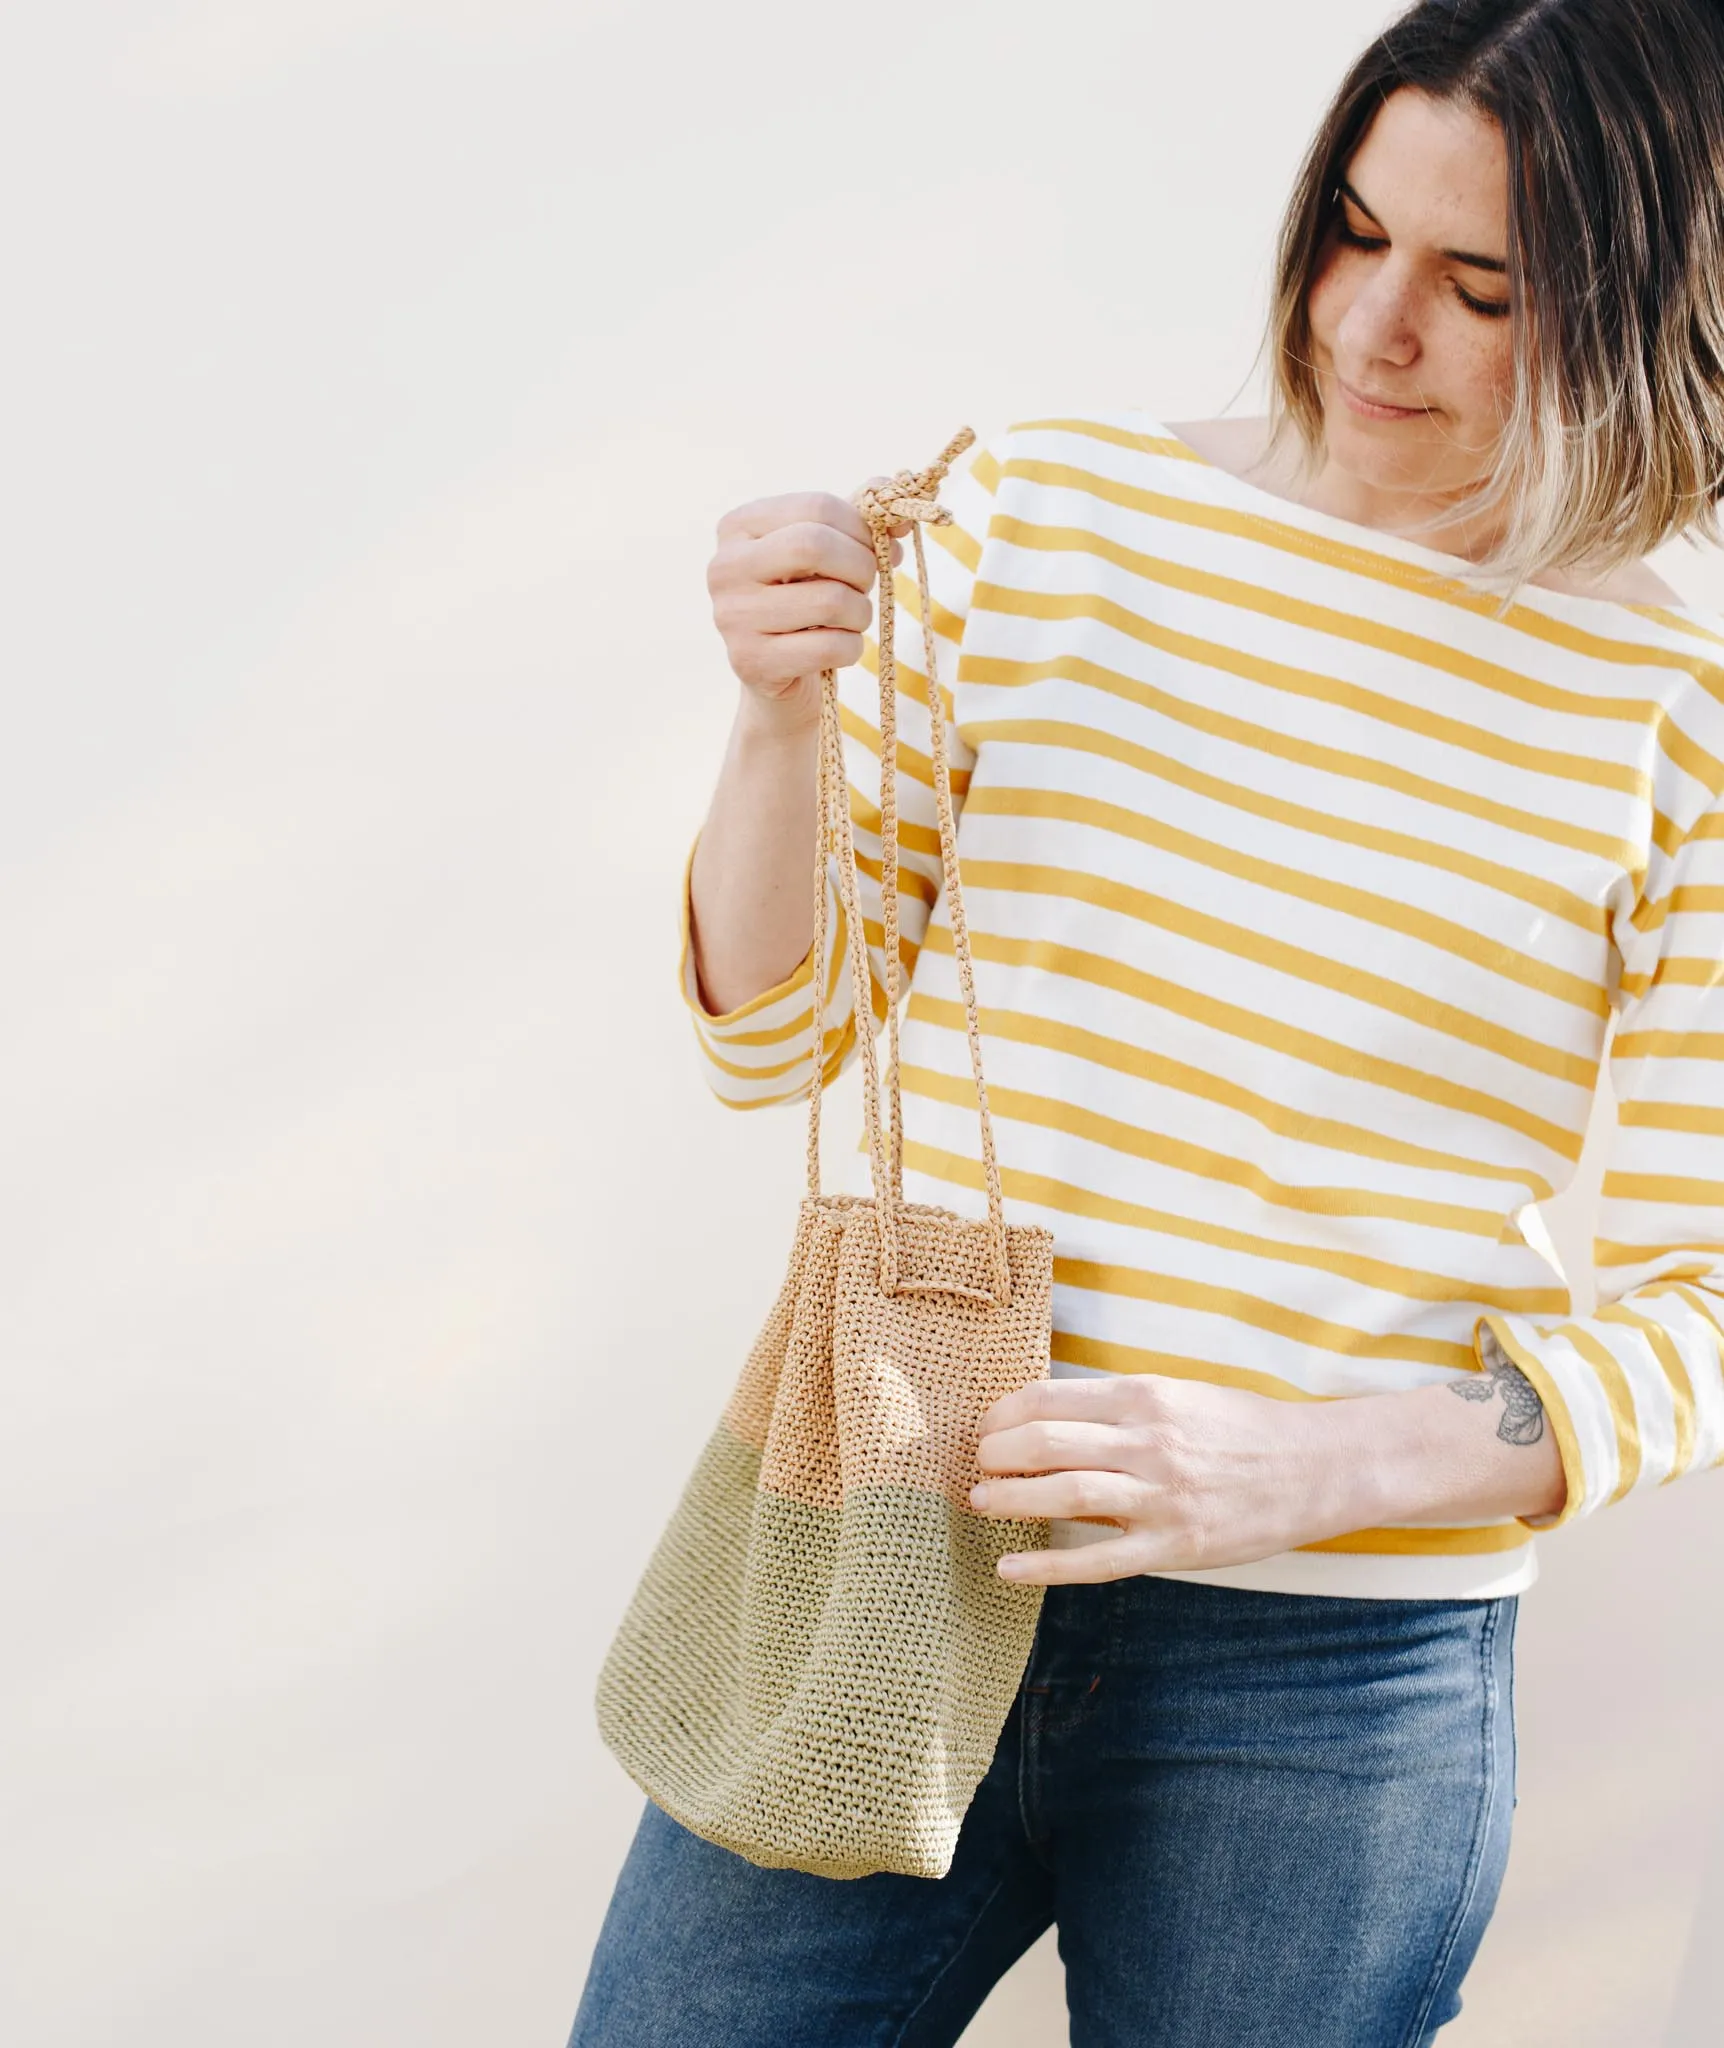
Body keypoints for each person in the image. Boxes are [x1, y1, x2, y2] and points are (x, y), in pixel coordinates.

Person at [571, 3, 1724, 2041]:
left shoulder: (1674, 706)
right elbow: (773, 1037)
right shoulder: (1043, 517)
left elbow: (1699, 1302)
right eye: (1352, 233)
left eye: (1479, 289)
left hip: (1332, 1685)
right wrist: (777, 723)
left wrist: (1290, 1467)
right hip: (899, 1543)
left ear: (1648, 313)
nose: (1374, 331)